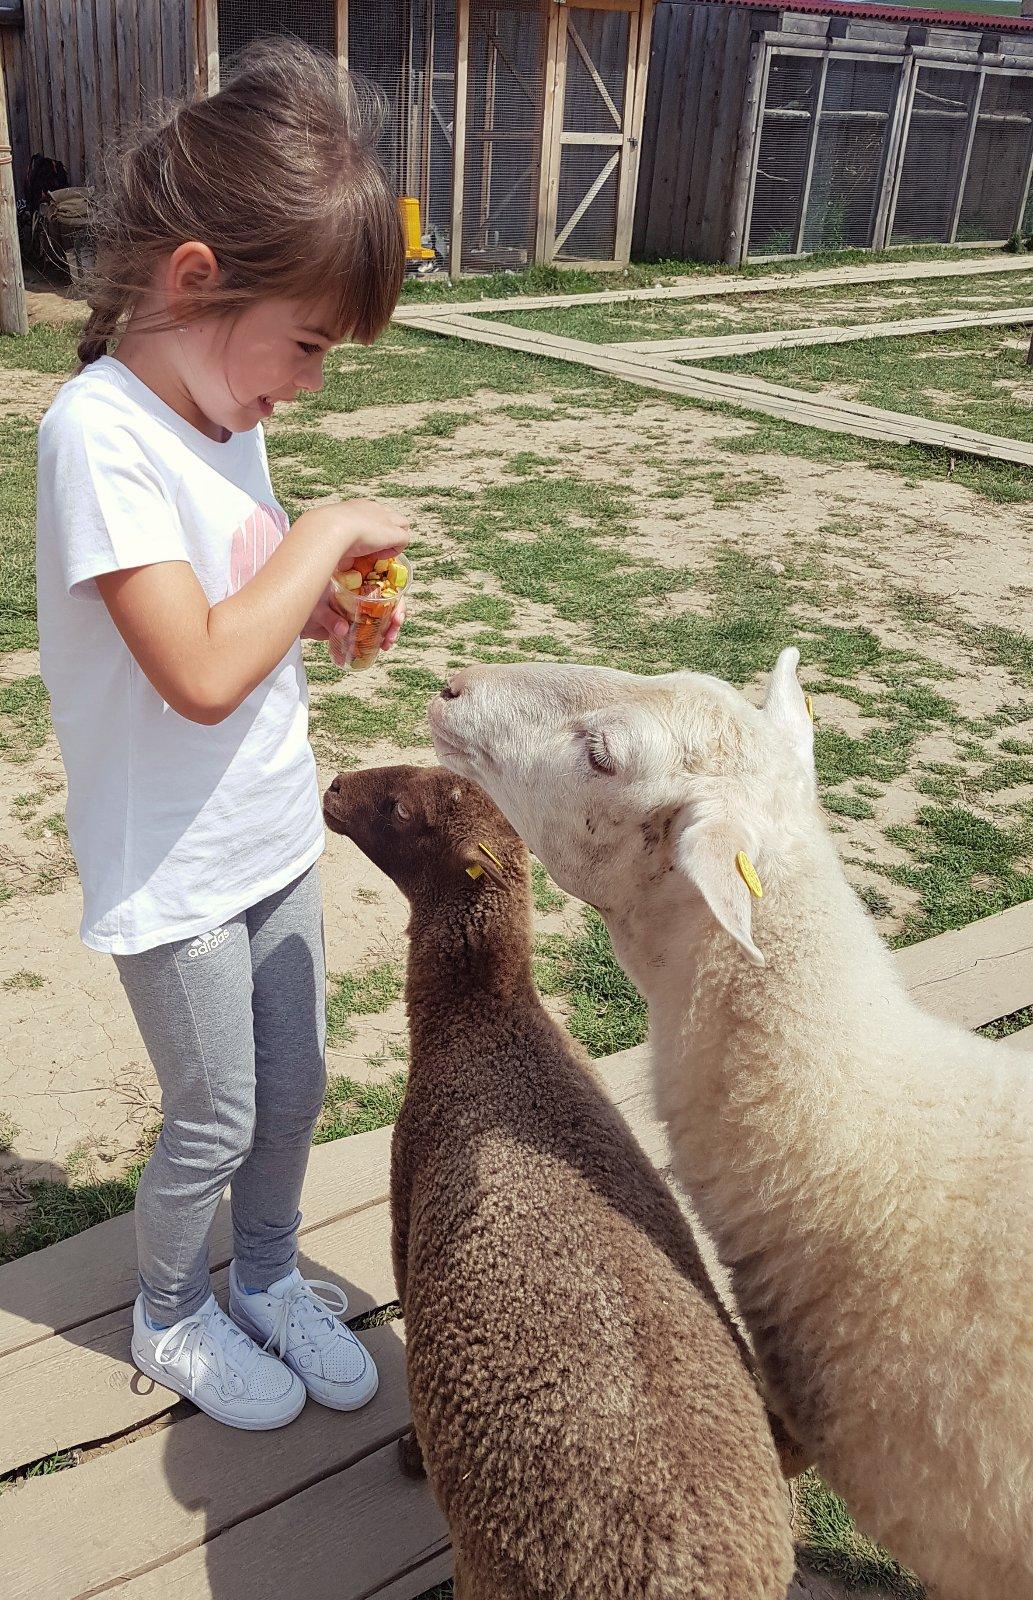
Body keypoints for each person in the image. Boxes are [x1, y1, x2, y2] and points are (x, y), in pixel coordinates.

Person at [35, 40, 410, 1430]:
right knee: (215, 1112)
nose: (307, 383)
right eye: (308, 344)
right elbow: (193, 671)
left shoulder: (221, 404)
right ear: (196, 279)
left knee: (294, 1088)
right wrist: (325, 534)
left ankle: (263, 1276)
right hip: (177, 863)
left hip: (267, 823)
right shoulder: (100, 434)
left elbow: (225, 607)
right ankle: (169, 1311)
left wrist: (316, 610)